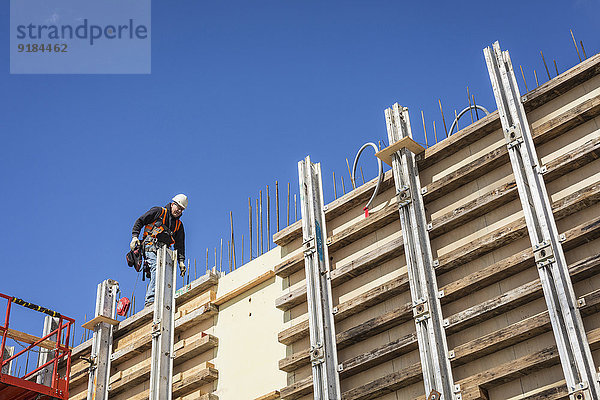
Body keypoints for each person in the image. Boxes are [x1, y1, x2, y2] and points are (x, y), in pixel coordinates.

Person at [130, 194, 188, 307]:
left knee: (166, 274)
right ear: (172, 204)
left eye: (181, 209)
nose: (179, 210)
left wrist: (181, 261)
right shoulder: (159, 212)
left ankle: (162, 300)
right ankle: (150, 300)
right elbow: (140, 221)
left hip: (165, 252)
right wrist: (135, 237)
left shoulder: (179, 225)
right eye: (178, 207)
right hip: (150, 246)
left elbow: (180, 245)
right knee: (157, 268)